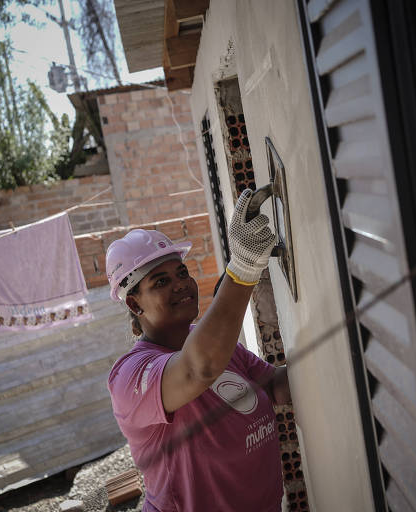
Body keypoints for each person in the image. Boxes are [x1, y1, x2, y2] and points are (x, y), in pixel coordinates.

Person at [105, 190, 291, 512]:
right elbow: (197, 370)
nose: (180, 284)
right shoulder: (129, 377)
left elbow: (275, 386)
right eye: (160, 282)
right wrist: (245, 266)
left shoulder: (214, 344)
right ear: (135, 304)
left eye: (182, 273)